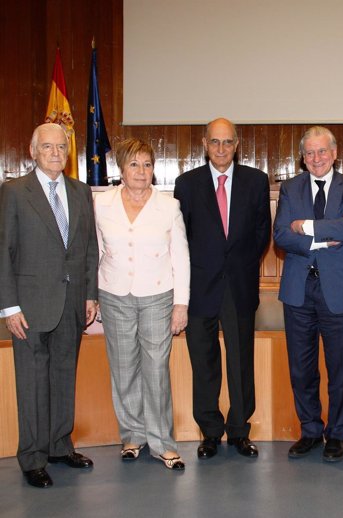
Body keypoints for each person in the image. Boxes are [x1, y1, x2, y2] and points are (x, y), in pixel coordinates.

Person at [0, 123, 98, 488]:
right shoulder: (14, 192)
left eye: (61, 147)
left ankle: (59, 445)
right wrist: (8, 307)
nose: (56, 153)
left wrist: (90, 294)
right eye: (47, 147)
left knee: (62, 377)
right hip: (29, 307)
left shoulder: (80, 190)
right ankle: (33, 456)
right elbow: (3, 252)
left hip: (71, 304)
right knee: (32, 382)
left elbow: (88, 248)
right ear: (32, 150)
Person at [174, 118, 271, 459]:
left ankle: (240, 431)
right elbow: (180, 237)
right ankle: (210, 433)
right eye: (215, 142)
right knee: (204, 363)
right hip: (199, 288)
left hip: (240, 286)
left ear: (237, 144)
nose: (221, 149)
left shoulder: (256, 181)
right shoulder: (186, 184)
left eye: (227, 142)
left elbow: (263, 232)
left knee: (241, 361)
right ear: (204, 143)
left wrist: (241, 265)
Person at [94, 138, 189, 470]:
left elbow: (181, 256)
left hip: (158, 297)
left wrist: (181, 304)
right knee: (123, 369)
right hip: (114, 295)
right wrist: (90, 296)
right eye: (134, 164)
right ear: (121, 168)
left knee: (155, 371)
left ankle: (162, 442)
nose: (141, 171)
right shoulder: (101, 204)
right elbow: (94, 252)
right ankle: (132, 436)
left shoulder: (169, 206)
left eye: (147, 164)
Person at [273, 126, 343, 462]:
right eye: (309, 153)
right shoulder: (290, 188)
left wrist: (306, 226)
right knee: (302, 368)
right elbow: (281, 234)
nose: (316, 159)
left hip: (341, 292)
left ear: (335, 153)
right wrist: (322, 237)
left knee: (340, 368)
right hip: (299, 291)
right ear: (303, 157)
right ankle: (310, 429)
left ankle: (337, 435)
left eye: (322, 152)